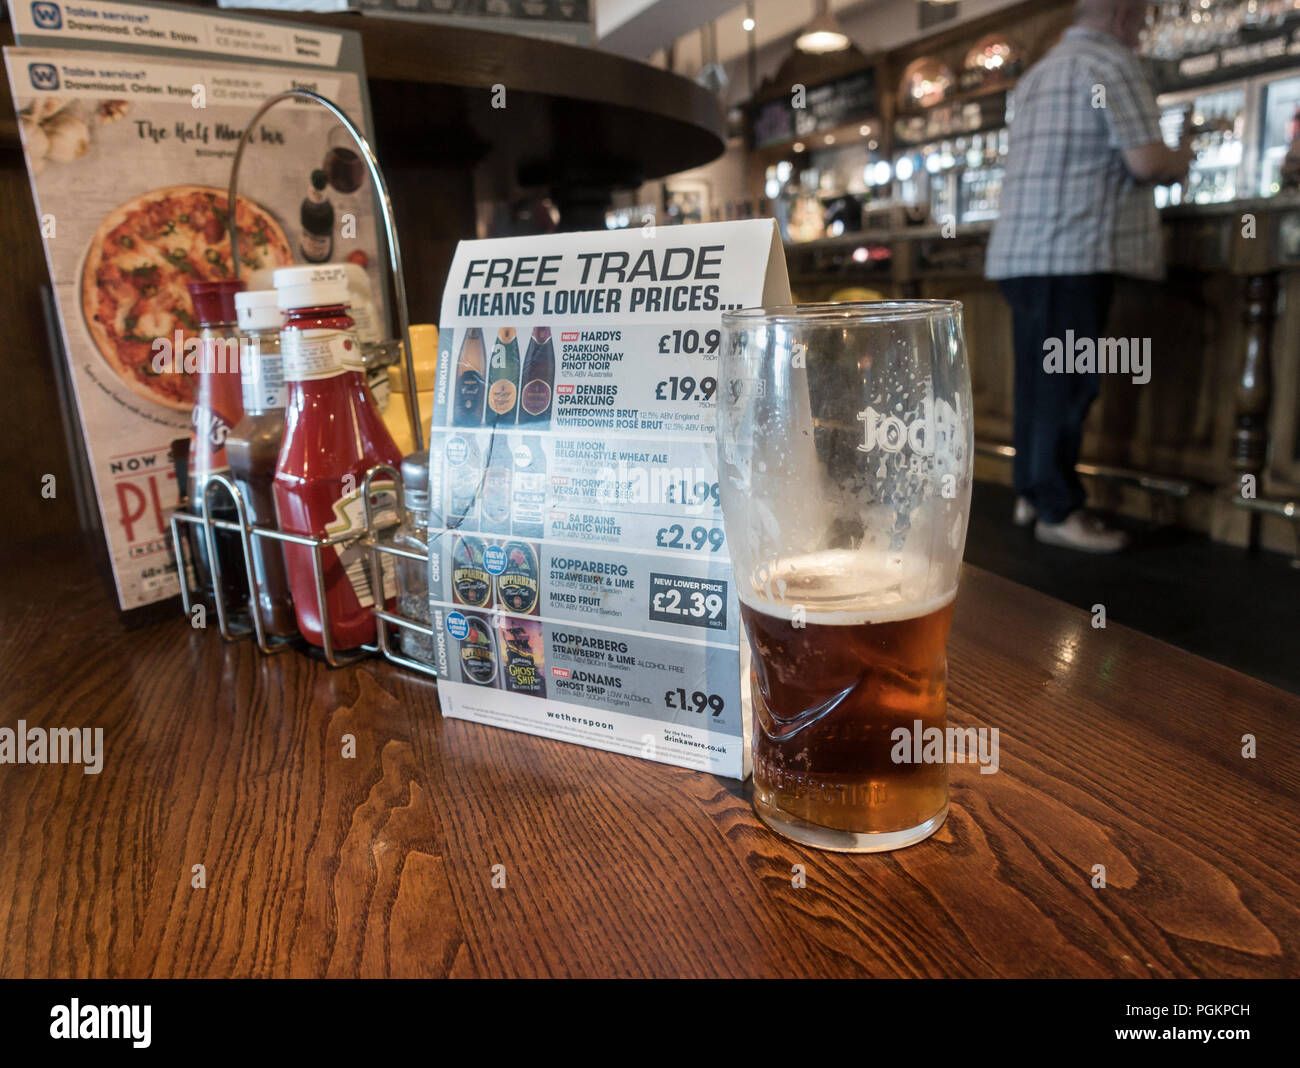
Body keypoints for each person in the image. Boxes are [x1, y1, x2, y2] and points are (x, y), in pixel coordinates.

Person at [985, 0, 1195, 552]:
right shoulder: (1112, 65)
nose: (1145, 30)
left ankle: (1032, 495)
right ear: (1126, 16)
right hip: (1071, 254)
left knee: (1036, 381)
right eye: (1145, 19)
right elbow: (1147, 162)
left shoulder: (1038, 74)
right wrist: (1184, 156)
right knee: (1067, 384)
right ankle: (1057, 510)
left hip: (1020, 256)